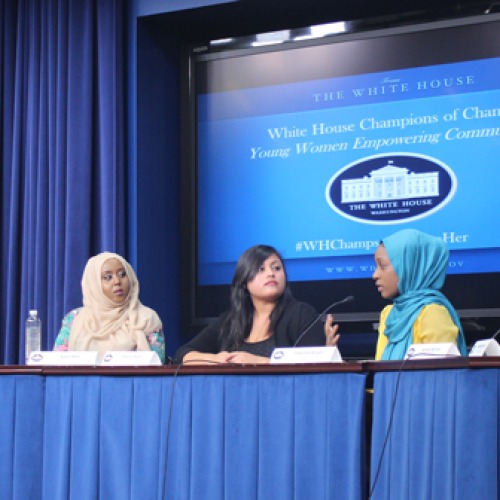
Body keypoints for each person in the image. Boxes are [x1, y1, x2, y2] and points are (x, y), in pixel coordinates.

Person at [174, 244, 339, 365]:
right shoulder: (229, 321)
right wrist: (216, 359)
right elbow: (182, 355)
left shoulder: (301, 314)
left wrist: (258, 361)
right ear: (244, 282)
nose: (270, 273)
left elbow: (311, 364)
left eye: (276, 268)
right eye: (260, 269)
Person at [53, 252, 166, 363]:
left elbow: (157, 365)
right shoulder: (74, 319)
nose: (117, 281)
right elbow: (56, 363)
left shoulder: (147, 319)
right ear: (94, 284)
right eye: (108, 277)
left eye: (122, 274)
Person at [372, 228, 467, 360]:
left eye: (382, 266)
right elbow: (379, 373)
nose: (375, 275)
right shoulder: (388, 313)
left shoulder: (432, 313)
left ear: (410, 266)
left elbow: (440, 377)